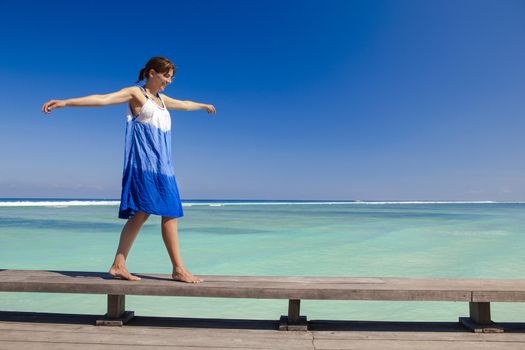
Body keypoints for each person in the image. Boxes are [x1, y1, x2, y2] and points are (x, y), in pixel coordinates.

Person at [41, 56, 216, 283]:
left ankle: (119, 265)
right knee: (161, 213)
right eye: (166, 76)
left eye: (171, 77)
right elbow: (103, 99)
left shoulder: (162, 100)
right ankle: (177, 269)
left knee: (151, 214)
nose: (169, 81)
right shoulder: (136, 94)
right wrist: (65, 102)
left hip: (164, 167)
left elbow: (184, 104)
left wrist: (203, 106)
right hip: (144, 165)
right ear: (151, 73)